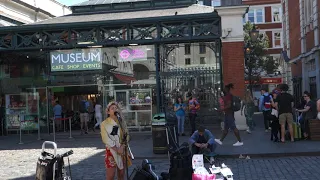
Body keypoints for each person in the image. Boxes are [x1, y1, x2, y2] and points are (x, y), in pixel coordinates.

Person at [100, 102, 132, 180]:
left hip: (122, 150)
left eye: (116, 108)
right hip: (111, 151)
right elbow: (105, 139)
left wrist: (122, 146)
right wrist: (117, 149)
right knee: (110, 176)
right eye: (112, 108)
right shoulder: (104, 124)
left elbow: (126, 135)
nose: (115, 109)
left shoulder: (121, 122)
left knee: (121, 175)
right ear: (108, 112)